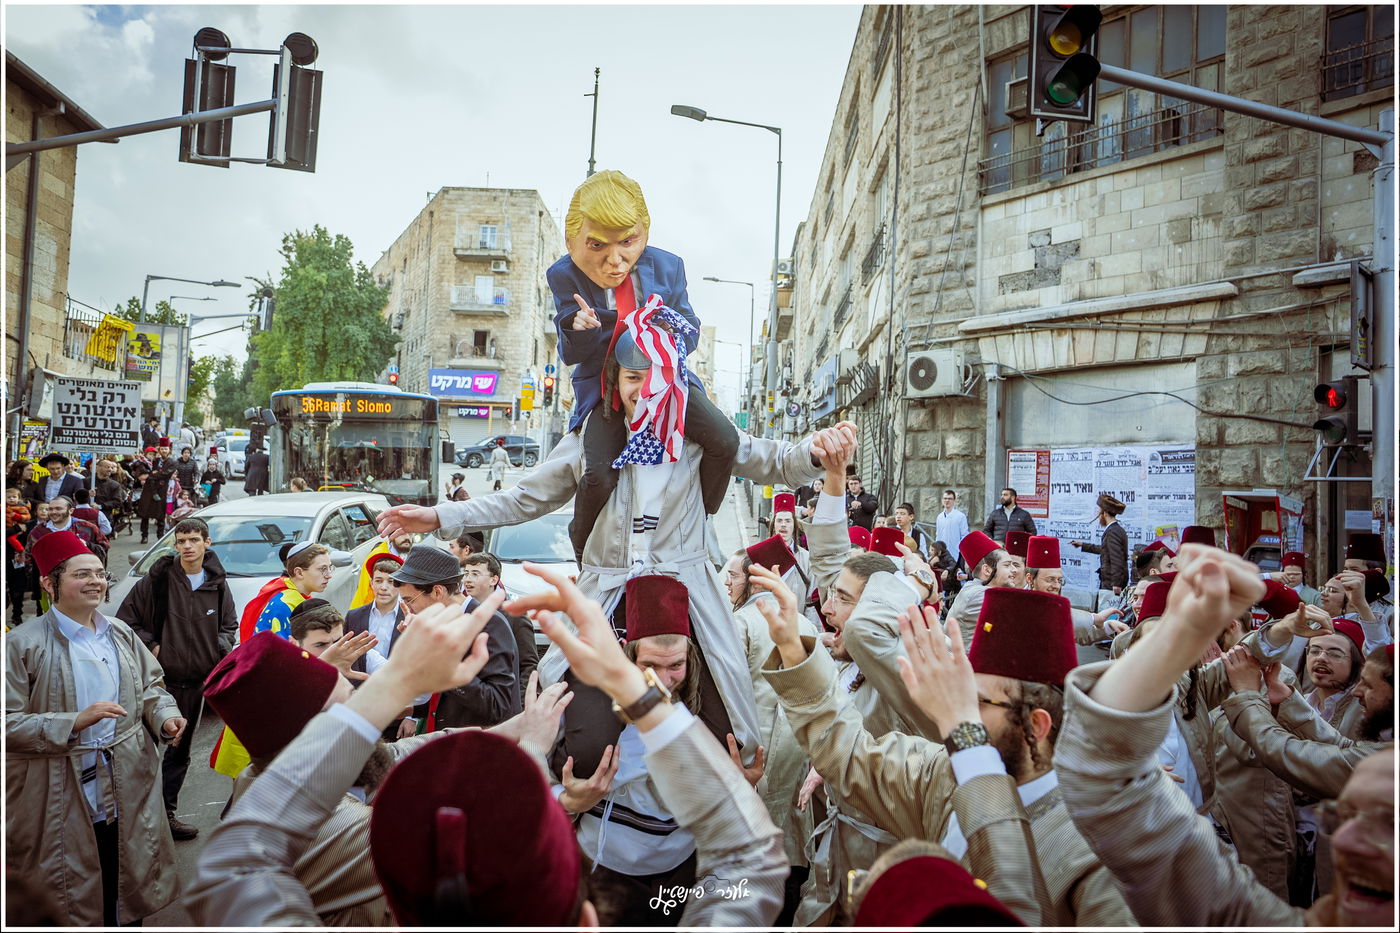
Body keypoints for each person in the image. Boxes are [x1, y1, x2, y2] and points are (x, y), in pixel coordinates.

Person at [375, 317, 850, 787]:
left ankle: (703, 824)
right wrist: (438, 515)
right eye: (632, 377)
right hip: (607, 597)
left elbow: (776, 460)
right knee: (580, 748)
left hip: (688, 598)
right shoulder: (589, 441)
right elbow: (523, 498)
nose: (642, 390)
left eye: (654, 377)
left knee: (729, 738)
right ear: (615, 380)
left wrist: (819, 448)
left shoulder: (698, 441)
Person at [191, 569, 787, 927]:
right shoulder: (337, 831)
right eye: (346, 705)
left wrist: (525, 720)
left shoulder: (272, 805)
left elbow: (238, 859)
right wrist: (619, 711)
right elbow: (754, 862)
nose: (362, 704)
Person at [761, 561, 1137, 925]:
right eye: (962, 694)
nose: (957, 710)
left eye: (979, 702)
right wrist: (793, 649)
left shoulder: (1095, 854)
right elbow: (847, 754)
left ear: (1036, 726)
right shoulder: (944, 772)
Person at [1054, 542, 1394, 927]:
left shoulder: (1197, 685)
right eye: (1344, 817)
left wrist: (1279, 633)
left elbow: (1246, 671)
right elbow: (1106, 779)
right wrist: (1134, 775)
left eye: (1387, 825)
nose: (1350, 840)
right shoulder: (1164, 690)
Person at [547, 169, 739, 561]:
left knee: (725, 440)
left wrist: (667, 333)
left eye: (627, 243)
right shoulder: (563, 275)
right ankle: (582, 546)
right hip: (605, 387)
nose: (614, 261)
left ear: (643, 234)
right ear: (572, 241)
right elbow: (571, 353)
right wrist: (579, 326)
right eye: (597, 245)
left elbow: (690, 329)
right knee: (598, 475)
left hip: (664, 382)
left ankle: (699, 518)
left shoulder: (669, 267)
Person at [5, 531, 187, 925]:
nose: (95, 582)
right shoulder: (21, 645)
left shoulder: (118, 632)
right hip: (57, 787)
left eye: (100, 574)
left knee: (125, 876)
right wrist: (72, 722)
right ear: (49, 583)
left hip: (126, 779)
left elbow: (150, 686)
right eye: (81, 574)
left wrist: (164, 715)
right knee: (72, 887)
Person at [114, 516, 237, 840]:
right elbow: (125, 622)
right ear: (175, 544)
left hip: (195, 684)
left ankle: (166, 815)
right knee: (145, 752)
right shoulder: (158, 581)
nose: (187, 546)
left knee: (179, 754)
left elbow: (228, 625)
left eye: (194, 540)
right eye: (181, 541)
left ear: (207, 542)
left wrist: (215, 650)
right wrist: (154, 646)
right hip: (158, 684)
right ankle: (135, 820)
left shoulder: (217, 583)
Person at [391, 545, 520, 728]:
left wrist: (441, 662)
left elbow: (497, 705)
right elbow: (449, 698)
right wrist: (412, 710)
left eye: (409, 601)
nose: (409, 609)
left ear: (437, 592)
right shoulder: (441, 622)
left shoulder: (490, 624)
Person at [461, 551, 538, 686]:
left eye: (475, 574)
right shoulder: (464, 612)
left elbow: (529, 665)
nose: (467, 579)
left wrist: (521, 697)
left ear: (493, 580)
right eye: (466, 573)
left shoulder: (514, 615)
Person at [1070, 492, 1129, 596]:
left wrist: (1116, 584)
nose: (1098, 516)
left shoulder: (1113, 532)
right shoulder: (1116, 529)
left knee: (1106, 607)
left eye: (1099, 513)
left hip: (1111, 584)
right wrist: (1082, 545)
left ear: (1105, 513)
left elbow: (1117, 559)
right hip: (1110, 583)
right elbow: (1106, 549)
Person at [26, 495, 108, 567]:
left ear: (71, 510)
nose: (53, 512)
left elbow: (104, 548)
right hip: (49, 577)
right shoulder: (38, 531)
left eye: (58, 509)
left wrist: (87, 545)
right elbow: (28, 556)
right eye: (50, 509)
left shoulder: (87, 527)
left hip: (81, 575)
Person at [137, 450, 174, 543]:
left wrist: (150, 475)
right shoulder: (145, 463)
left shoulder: (169, 462)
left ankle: (160, 536)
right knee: (145, 515)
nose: (152, 456)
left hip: (161, 491)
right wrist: (152, 474)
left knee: (160, 515)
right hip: (147, 492)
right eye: (150, 454)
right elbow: (140, 474)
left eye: (153, 454)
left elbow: (165, 474)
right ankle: (144, 535)